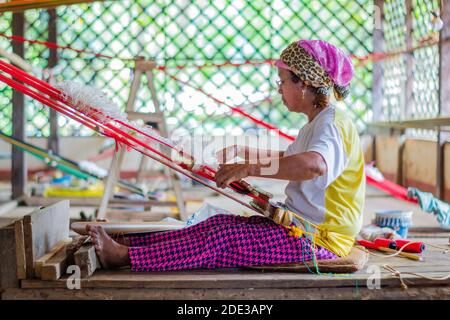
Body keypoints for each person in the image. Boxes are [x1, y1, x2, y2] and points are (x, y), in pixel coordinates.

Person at [86, 39, 365, 271]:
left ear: (303, 83)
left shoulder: (331, 123)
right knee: (216, 224)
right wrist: (242, 152)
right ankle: (125, 246)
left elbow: (313, 166)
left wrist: (248, 168)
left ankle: (126, 258)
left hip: (319, 242)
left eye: (282, 81)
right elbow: (289, 157)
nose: (279, 88)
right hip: (301, 230)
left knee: (222, 236)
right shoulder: (319, 122)